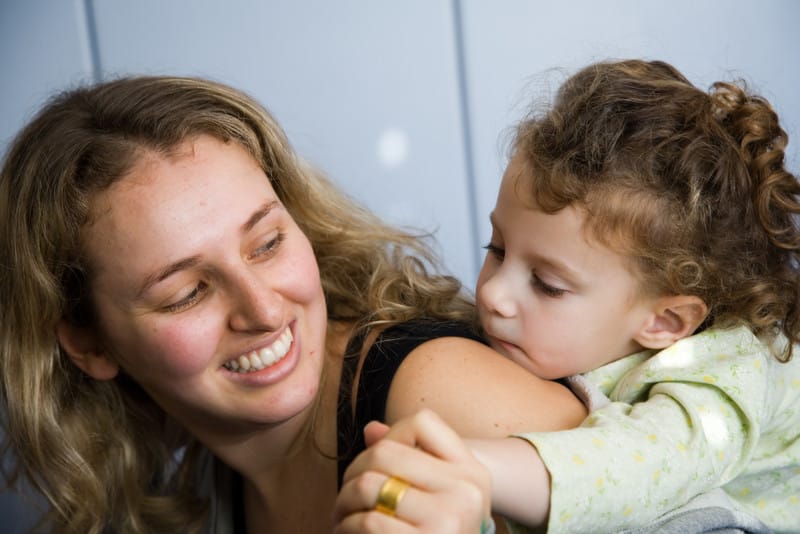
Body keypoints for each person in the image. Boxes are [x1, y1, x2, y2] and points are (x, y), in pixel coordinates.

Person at [0, 76, 588, 533]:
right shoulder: (197, 478)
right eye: (187, 294)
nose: (262, 309)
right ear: (89, 343)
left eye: (268, 243)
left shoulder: (436, 392)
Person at [335, 59, 800, 533]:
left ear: (665, 322)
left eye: (547, 285)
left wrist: (470, 465)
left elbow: (635, 469)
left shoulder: (726, 376)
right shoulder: (568, 323)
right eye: (496, 249)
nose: (494, 293)